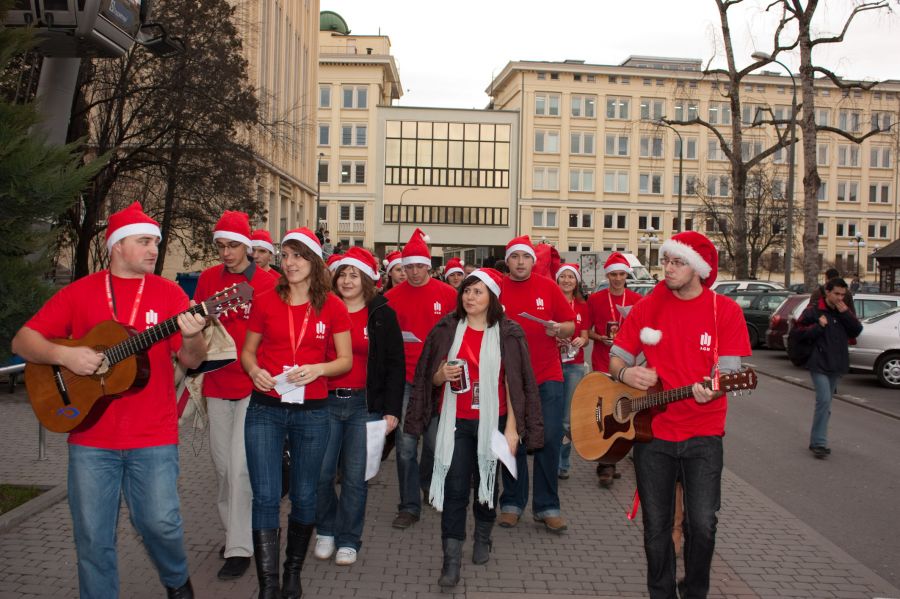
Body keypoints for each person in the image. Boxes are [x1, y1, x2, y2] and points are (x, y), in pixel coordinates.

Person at [11, 202, 207, 599]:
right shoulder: (79, 292)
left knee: (159, 523)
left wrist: (191, 334)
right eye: (144, 241)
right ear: (117, 246)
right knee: (93, 538)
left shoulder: (169, 293)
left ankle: (176, 580)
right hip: (90, 437)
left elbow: (192, 360)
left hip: (152, 435)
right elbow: (23, 341)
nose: (154, 249)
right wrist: (67, 356)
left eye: (156, 241)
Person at [608, 231, 751, 599]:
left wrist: (713, 389)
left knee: (702, 525)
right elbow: (616, 357)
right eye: (666, 260)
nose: (667, 268)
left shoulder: (725, 311)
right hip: (652, 434)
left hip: (704, 434)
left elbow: (731, 373)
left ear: (699, 269)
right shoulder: (648, 306)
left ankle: (695, 591)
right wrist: (627, 373)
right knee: (656, 527)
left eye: (677, 262)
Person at [404, 268, 542, 588]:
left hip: (493, 421)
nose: (470, 297)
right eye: (466, 291)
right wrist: (442, 375)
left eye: (478, 292)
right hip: (456, 421)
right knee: (455, 490)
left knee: (486, 487)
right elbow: (430, 378)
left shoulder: (509, 332)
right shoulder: (446, 329)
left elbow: (516, 384)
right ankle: (450, 559)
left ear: (492, 297)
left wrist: (512, 430)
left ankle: (483, 535)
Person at [241, 227, 352, 599]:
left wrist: (319, 369)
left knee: (305, 494)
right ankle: (268, 584)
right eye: (285, 255)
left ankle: (292, 570)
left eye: (298, 256)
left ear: (314, 261)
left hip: (313, 411)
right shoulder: (264, 299)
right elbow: (248, 352)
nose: (289, 263)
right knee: (266, 496)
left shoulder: (332, 306)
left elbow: (345, 360)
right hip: (266, 409)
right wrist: (254, 370)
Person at [195, 212, 277, 581]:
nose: (226, 252)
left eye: (232, 245)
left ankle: (241, 548)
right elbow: (196, 328)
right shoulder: (209, 279)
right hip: (216, 383)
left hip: (253, 385)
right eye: (221, 246)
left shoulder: (269, 282)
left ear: (248, 245)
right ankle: (235, 533)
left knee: (241, 469)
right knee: (223, 468)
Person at [314, 247, 405, 565]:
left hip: (364, 407)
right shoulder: (321, 309)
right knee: (321, 475)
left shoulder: (381, 313)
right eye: (343, 273)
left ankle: (349, 538)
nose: (347, 279)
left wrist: (392, 408)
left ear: (367, 279)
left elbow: (395, 364)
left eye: (355, 274)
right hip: (323, 403)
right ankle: (326, 529)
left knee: (355, 477)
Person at [498, 235, 575, 533]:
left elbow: (570, 323)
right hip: (509, 380)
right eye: (515, 257)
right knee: (512, 439)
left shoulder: (548, 287)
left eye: (525, 257)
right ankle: (512, 502)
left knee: (550, 438)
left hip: (547, 375)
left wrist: (559, 328)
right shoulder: (497, 290)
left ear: (533, 260)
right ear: (508, 261)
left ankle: (547, 506)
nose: (520, 262)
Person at [384, 228, 457, 530]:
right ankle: (408, 505)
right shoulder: (389, 298)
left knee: (435, 444)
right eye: (407, 266)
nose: (413, 272)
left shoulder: (449, 295)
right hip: (405, 384)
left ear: (429, 265)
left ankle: (427, 482)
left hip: (439, 383)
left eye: (418, 266)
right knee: (405, 446)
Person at [586, 252, 643, 485]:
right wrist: (599, 337)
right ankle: (606, 464)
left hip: (629, 365)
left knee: (628, 411)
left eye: (621, 274)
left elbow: (644, 332)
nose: (618, 279)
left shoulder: (637, 300)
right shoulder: (596, 299)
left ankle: (620, 455)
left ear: (626, 275)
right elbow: (585, 330)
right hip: (603, 361)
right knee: (608, 413)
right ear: (607, 275)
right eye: (613, 274)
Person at [794, 277, 862, 459]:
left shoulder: (843, 311)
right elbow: (798, 333)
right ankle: (819, 443)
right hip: (818, 362)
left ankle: (817, 439)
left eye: (843, 294)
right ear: (827, 292)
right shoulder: (814, 311)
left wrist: (846, 313)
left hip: (836, 363)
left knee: (826, 403)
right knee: (823, 400)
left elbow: (856, 330)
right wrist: (818, 326)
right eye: (837, 294)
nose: (840, 298)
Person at [554, 263, 590, 480]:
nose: (567, 280)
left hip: (574, 365)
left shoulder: (582, 306)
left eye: (571, 277)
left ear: (576, 282)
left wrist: (581, 340)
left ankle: (563, 462)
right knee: (550, 416)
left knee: (567, 419)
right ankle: (549, 459)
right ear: (557, 279)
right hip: (552, 363)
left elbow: (585, 336)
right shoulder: (551, 301)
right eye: (563, 276)